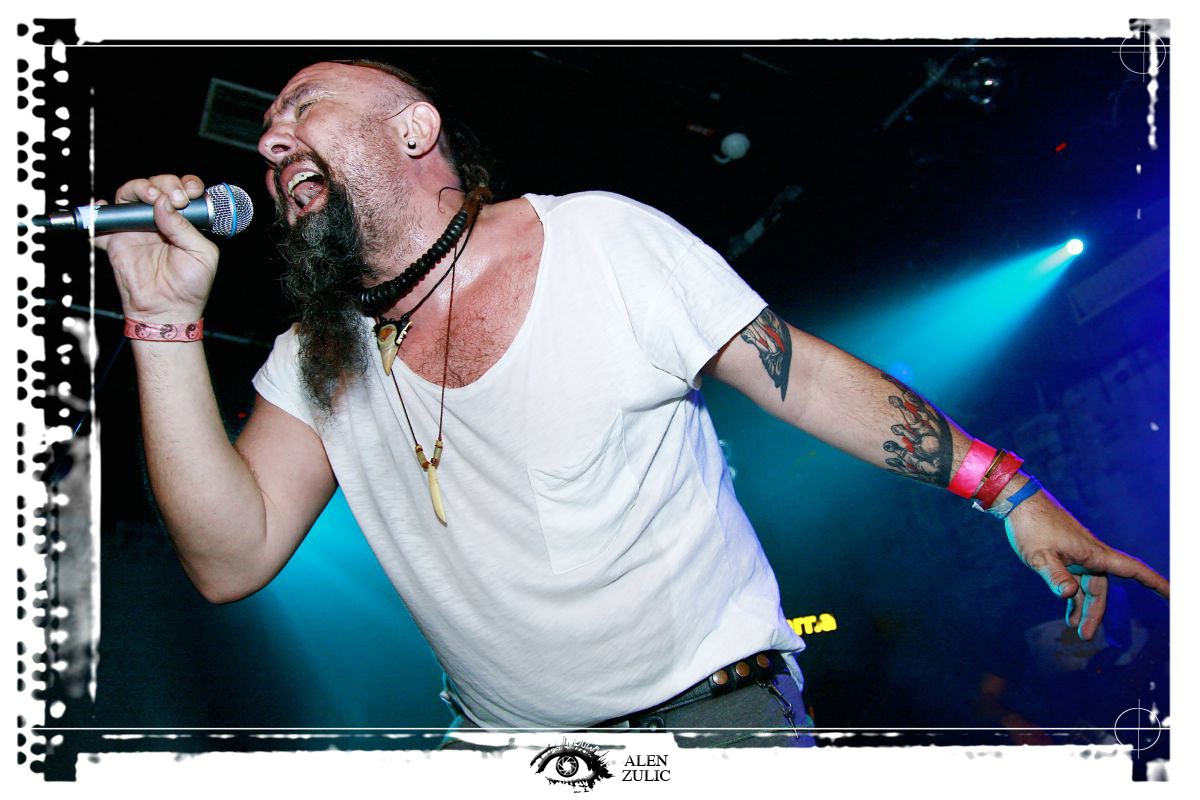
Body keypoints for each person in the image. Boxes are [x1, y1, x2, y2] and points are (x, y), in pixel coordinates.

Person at [93, 60, 1169, 747]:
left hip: (717, 722)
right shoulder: (313, 355)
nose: (271, 142)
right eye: (266, 135)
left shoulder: (600, 241)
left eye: (301, 109)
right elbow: (230, 558)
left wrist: (1009, 488)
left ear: (414, 131)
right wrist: (161, 319)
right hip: (508, 751)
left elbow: (799, 374)